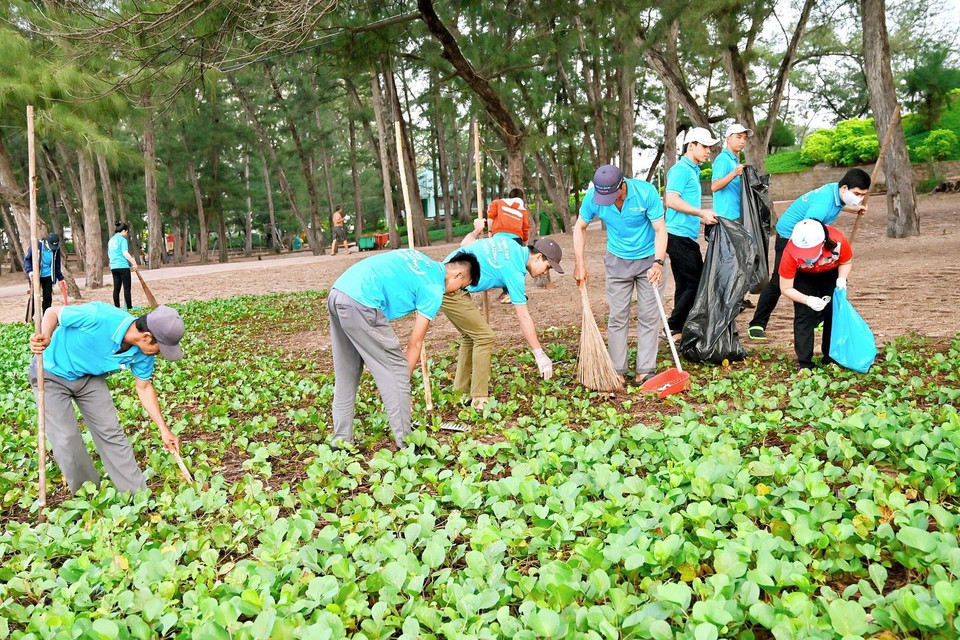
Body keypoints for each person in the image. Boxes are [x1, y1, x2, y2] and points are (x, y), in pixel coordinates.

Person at [328, 249, 480, 449]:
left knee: (347, 373)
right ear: (458, 275)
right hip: (363, 302)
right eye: (462, 287)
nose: (456, 292)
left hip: (339, 292)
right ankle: (406, 444)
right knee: (397, 369)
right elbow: (415, 343)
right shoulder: (434, 289)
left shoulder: (419, 258)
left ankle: (341, 442)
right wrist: (401, 387)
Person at [28, 303, 185, 494]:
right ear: (146, 336)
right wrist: (46, 335)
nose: (160, 354)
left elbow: (144, 387)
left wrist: (164, 430)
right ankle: (88, 495)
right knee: (66, 439)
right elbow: (53, 312)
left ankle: (138, 497)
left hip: (89, 377)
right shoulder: (98, 316)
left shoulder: (143, 353)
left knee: (112, 433)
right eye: (161, 348)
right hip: (51, 373)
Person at [442, 224, 562, 409]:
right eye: (547, 267)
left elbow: (467, 242)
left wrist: (476, 231)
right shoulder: (514, 270)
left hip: (445, 278)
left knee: (471, 335)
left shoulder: (508, 243)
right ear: (538, 257)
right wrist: (539, 353)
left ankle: (460, 393)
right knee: (484, 336)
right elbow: (523, 316)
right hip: (450, 287)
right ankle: (480, 399)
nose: (545, 273)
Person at [748, 168, 870, 340]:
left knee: (818, 273)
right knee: (780, 280)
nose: (858, 198)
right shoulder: (820, 206)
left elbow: (837, 205)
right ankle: (757, 323)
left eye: (862, 195)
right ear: (844, 188)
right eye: (856, 194)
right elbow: (809, 226)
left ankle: (817, 317)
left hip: (810, 236)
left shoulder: (837, 193)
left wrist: (854, 208)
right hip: (791, 236)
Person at [573, 164, 668, 383]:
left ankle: (645, 370)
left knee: (649, 315)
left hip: (649, 260)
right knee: (617, 316)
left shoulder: (645, 193)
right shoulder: (593, 197)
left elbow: (660, 229)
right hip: (617, 261)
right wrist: (579, 263)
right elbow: (580, 227)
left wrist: (658, 263)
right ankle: (617, 370)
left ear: (622, 185)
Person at [664, 127, 720, 341]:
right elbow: (671, 201)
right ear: (691, 146)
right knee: (696, 282)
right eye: (705, 146)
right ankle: (672, 326)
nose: (708, 151)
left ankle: (678, 331)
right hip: (677, 236)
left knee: (685, 283)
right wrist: (700, 212)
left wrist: (703, 216)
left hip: (685, 235)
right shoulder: (681, 170)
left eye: (710, 147)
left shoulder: (693, 170)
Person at [778, 219, 853, 370]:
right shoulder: (789, 252)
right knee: (804, 315)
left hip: (830, 273)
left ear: (823, 242)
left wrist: (841, 279)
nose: (806, 255)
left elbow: (846, 262)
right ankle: (805, 364)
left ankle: (831, 358)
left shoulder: (837, 240)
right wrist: (807, 300)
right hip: (803, 276)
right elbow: (785, 288)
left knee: (833, 312)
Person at [711, 124, 752, 220]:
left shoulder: (733, 160)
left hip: (735, 214)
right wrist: (734, 173)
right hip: (727, 217)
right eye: (738, 137)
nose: (742, 141)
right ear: (728, 139)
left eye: (745, 138)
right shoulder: (723, 159)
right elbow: (714, 186)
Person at [24, 232, 64, 318]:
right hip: (35, 275)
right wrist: (30, 271)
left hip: (48, 276)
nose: (53, 248)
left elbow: (57, 265)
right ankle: (28, 318)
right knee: (34, 297)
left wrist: (60, 278)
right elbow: (27, 259)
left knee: (47, 297)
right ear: (46, 242)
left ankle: (46, 318)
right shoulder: (37, 246)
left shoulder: (56, 249)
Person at [108, 222, 139, 311]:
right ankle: (129, 308)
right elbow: (125, 253)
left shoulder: (111, 240)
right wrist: (134, 263)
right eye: (127, 232)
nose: (126, 234)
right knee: (126, 288)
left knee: (116, 288)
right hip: (123, 266)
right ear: (124, 231)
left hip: (114, 267)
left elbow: (109, 254)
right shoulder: (122, 240)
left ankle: (117, 307)